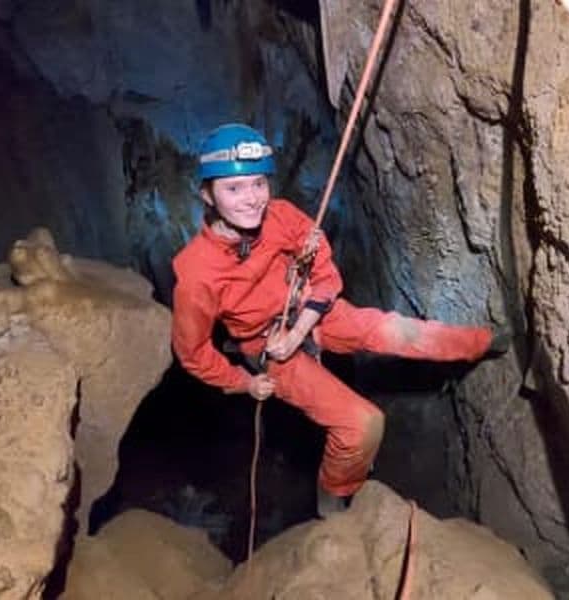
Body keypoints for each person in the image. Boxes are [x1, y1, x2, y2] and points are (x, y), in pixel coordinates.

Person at [171, 123, 509, 517]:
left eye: (259, 184)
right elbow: (192, 352)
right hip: (270, 351)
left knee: (398, 331)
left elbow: (326, 275)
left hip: (309, 312)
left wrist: (299, 330)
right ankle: (332, 498)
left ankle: (486, 342)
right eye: (234, 188)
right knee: (363, 424)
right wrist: (244, 382)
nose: (252, 200)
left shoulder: (280, 216)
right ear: (207, 194)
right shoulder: (197, 273)